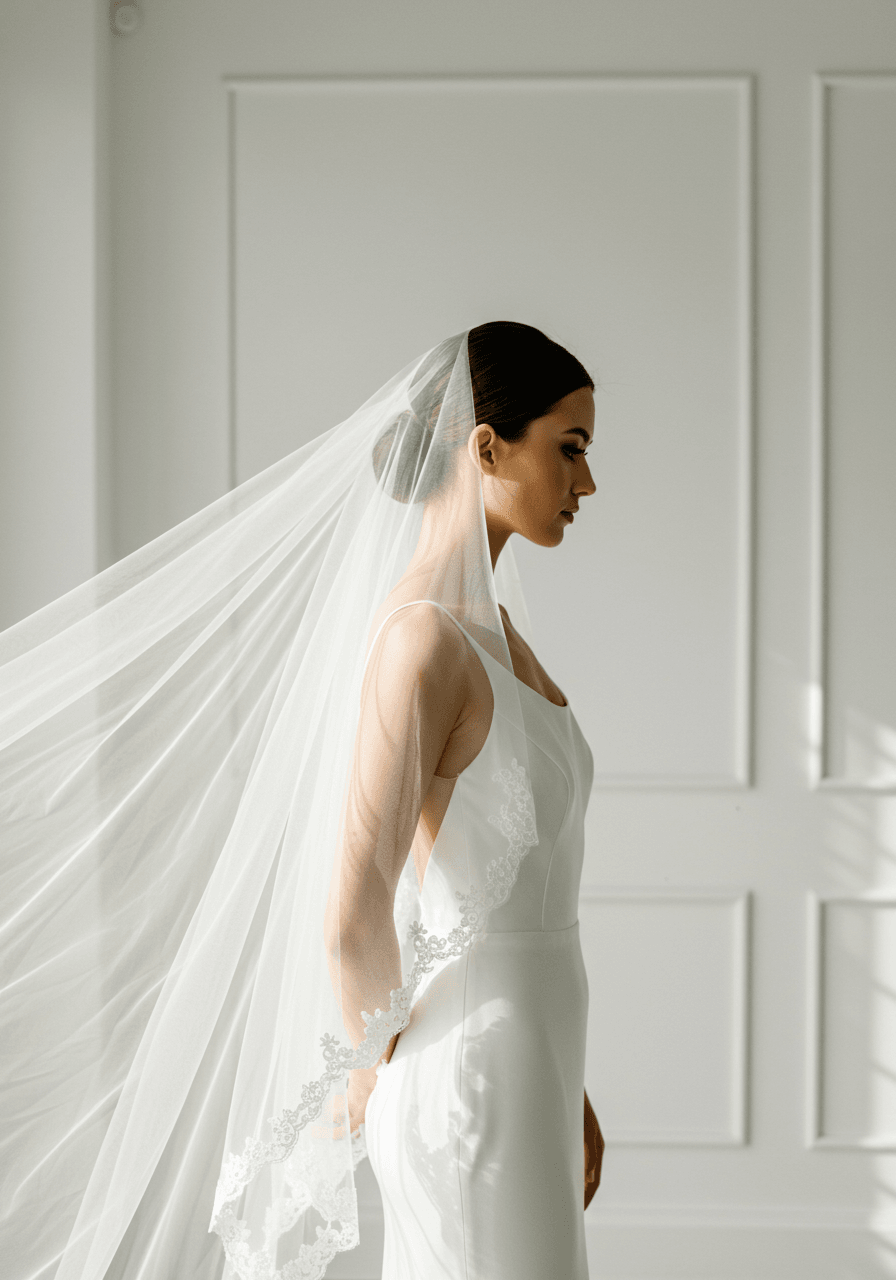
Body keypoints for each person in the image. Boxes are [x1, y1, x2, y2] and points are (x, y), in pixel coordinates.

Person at [0, 321, 603, 1280]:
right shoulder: (424, 642)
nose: (587, 484)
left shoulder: (500, 636)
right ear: (487, 446)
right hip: (470, 1084)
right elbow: (352, 913)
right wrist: (382, 1064)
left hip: (529, 1068)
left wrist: (569, 1092)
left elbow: (519, 898)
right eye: (568, 448)